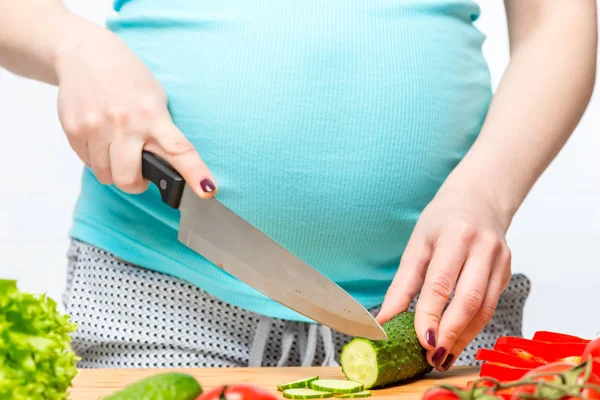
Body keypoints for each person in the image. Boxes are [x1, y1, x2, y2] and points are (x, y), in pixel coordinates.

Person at [0, 0, 596, 371]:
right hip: (161, 289)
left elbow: (557, 17)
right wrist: (72, 45)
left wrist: (488, 193)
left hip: (432, 310)